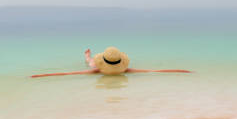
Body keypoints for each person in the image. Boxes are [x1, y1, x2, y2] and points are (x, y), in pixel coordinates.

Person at [30, 46, 192, 78]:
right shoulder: (126, 70)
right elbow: (151, 71)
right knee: (90, 61)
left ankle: (88, 55)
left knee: (90, 62)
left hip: (98, 68)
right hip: (110, 68)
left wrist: (42, 75)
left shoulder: (97, 70)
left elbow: (67, 74)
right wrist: (181, 70)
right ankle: (88, 55)